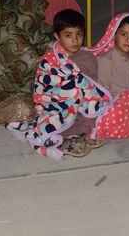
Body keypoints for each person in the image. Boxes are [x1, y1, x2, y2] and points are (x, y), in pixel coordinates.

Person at [8, 9, 107, 158]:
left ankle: (80, 132)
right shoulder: (50, 60)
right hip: (58, 104)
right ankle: (70, 135)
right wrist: (72, 90)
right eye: (68, 35)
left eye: (79, 34)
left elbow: (92, 85)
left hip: (82, 105)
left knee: (100, 110)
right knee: (52, 120)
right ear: (57, 36)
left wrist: (82, 91)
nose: (75, 40)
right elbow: (44, 89)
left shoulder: (88, 57)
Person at [97, 15, 129, 97]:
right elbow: (104, 92)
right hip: (115, 103)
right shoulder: (106, 60)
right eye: (124, 34)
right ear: (114, 35)